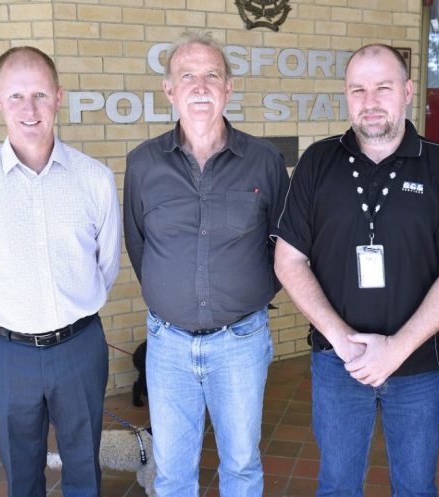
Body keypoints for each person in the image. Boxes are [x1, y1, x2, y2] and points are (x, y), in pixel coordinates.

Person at [273, 44, 439, 497]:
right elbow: (288, 260)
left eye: (383, 88)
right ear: (346, 95)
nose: (369, 101)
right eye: (358, 90)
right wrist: (341, 339)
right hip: (337, 362)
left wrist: (395, 350)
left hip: (418, 365)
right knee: (337, 486)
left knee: (415, 488)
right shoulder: (317, 162)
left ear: (407, 91)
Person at [0, 46, 121, 497]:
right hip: (6, 354)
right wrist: (7, 311)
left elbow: (106, 264)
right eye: (17, 95)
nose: (30, 108)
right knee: (21, 476)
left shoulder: (94, 179)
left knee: (84, 469)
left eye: (40, 94)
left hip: (79, 347)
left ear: (58, 96)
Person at [123, 32, 289, 497]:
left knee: (241, 465)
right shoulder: (142, 164)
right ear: (169, 90)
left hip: (241, 342)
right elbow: (139, 246)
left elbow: (284, 247)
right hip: (167, 345)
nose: (200, 86)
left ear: (228, 88)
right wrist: (170, 295)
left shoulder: (264, 161)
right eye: (187, 76)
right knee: (173, 473)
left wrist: (245, 293)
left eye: (212, 75)